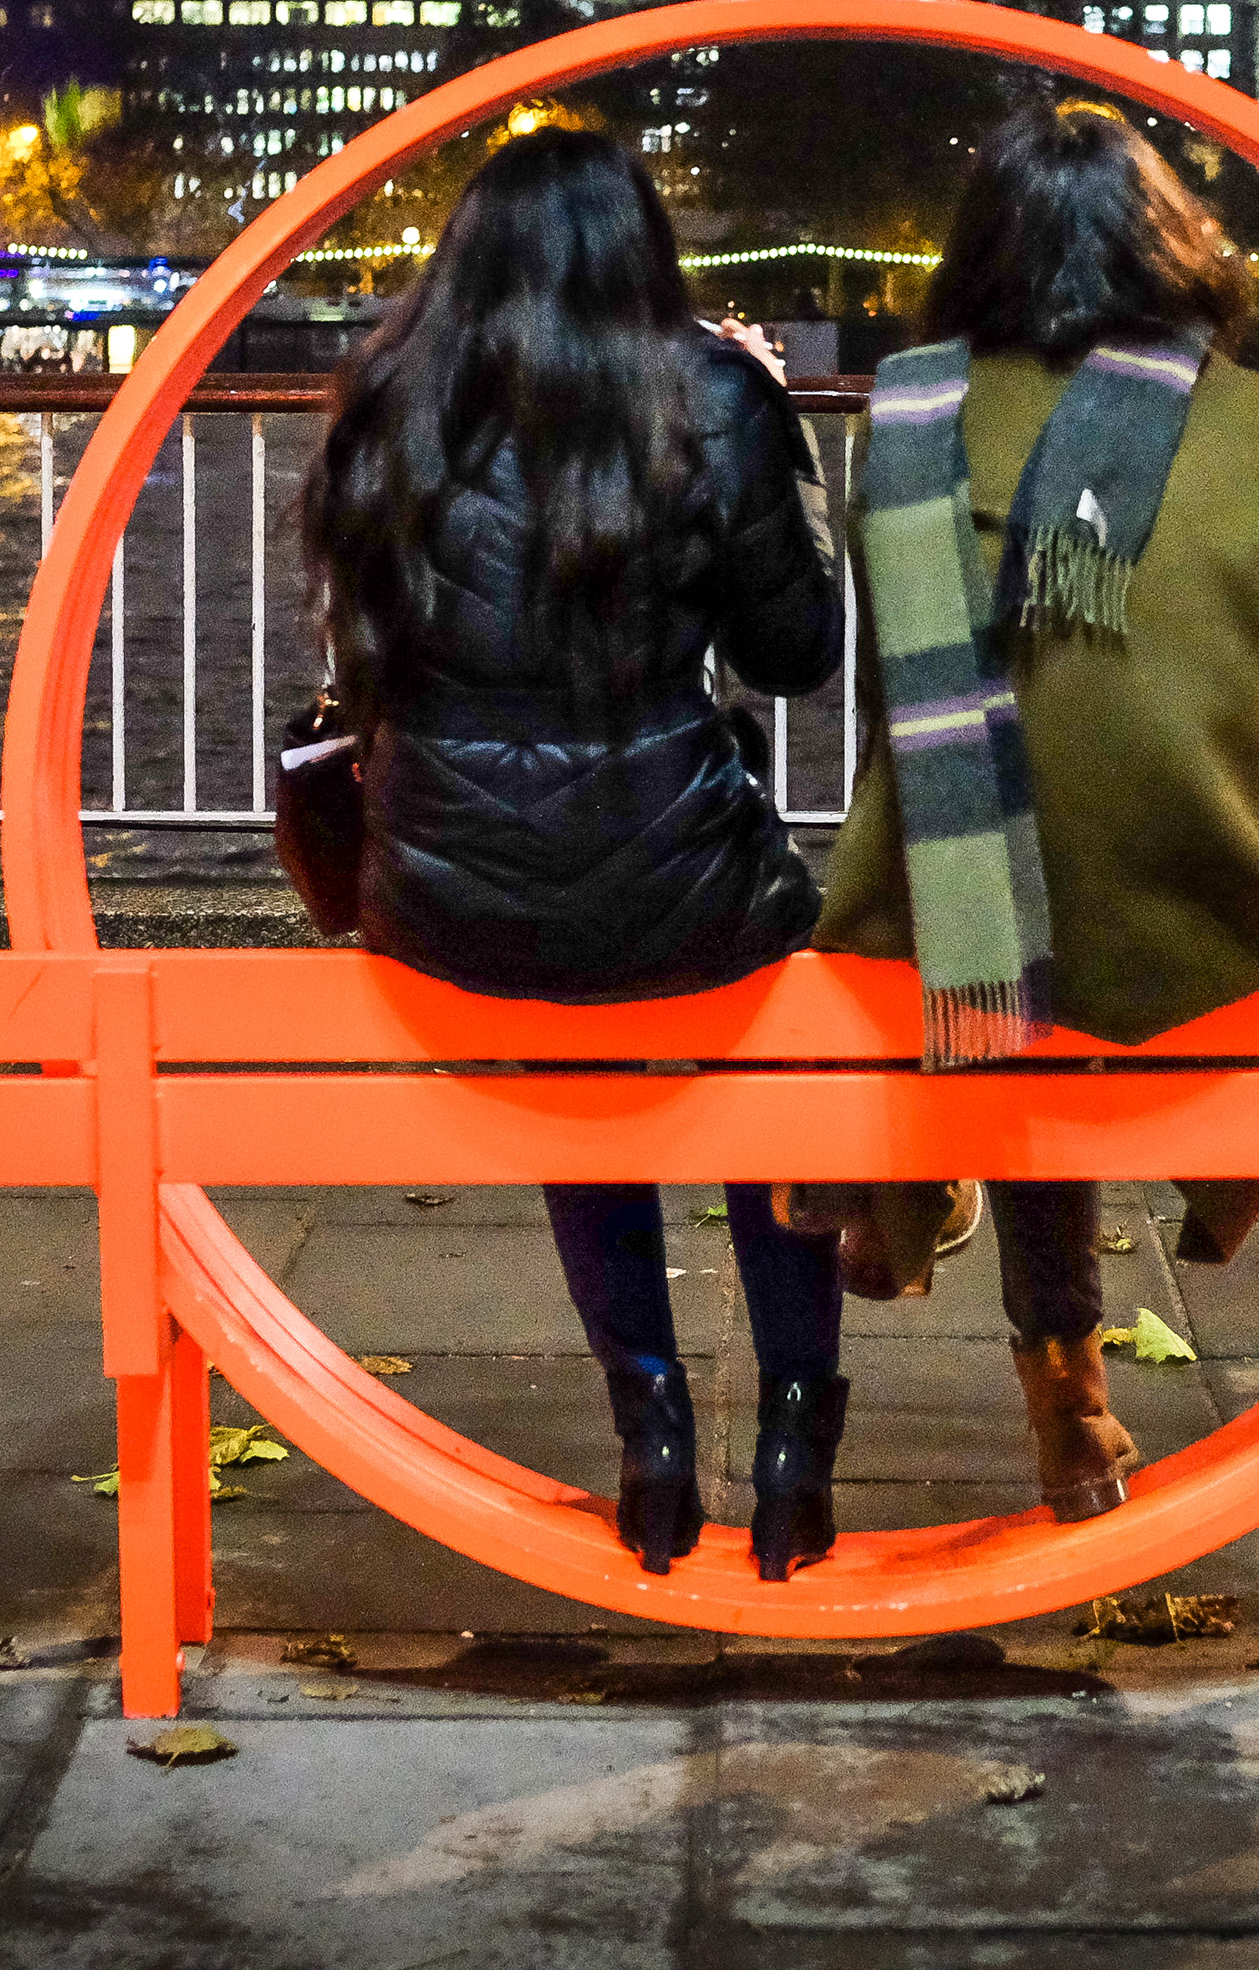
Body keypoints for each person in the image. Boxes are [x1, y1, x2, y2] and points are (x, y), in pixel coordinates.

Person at [300, 125, 853, 1582]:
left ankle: (652, 1425)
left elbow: (361, 657)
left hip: (448, 896)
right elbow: (795, 657)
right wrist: (776, 433)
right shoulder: (712, 394)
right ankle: (797, 1433)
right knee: (778, 1050)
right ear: (642, 253)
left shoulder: (391, 397)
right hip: (678, 876)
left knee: (574, 1059)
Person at [814, 101, 1259, 1522]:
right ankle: (1048, 1362)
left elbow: (893, 682)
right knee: (1070, 905)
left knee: (980, 893)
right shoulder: (1258, 422)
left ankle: (916, 1211)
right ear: (1171, 246)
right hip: (1204, 916)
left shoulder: (906, 410)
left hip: (950, 931)